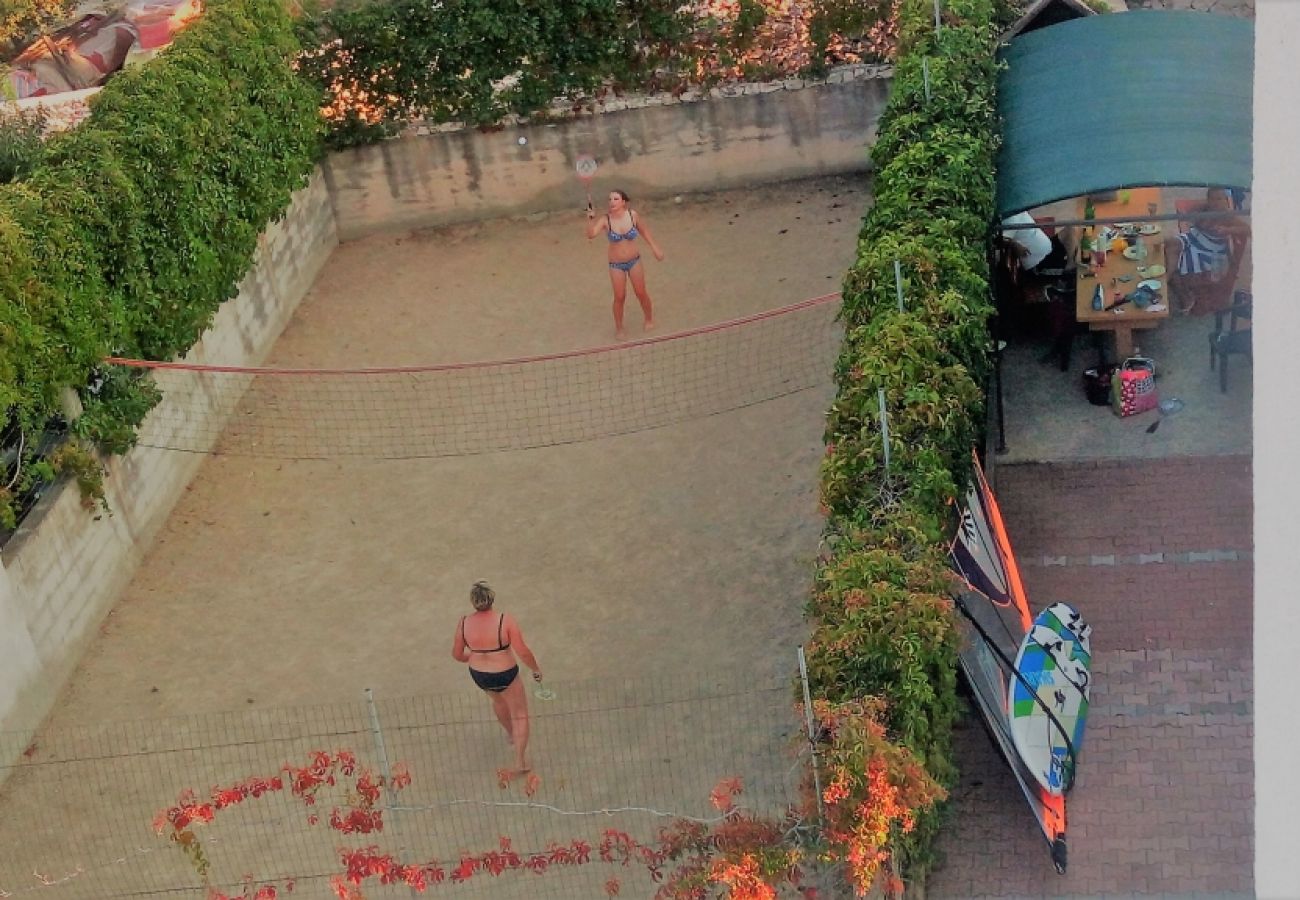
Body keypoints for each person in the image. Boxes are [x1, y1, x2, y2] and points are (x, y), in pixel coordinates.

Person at [451, 581, 542, 773]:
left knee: (498, 702)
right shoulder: (505, 620)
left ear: (473, 602)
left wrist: (473, 657)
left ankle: (510, 735)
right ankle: (519, 762)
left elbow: (457, 654)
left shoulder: (464, 623)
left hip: (480, 675)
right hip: (505, 674)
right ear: (492, 599)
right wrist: (535, 669)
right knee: (520, 714)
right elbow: (522, 651)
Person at [585, 190, 665, 341]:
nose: (612, 202)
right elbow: (591, 234)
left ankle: (649, 319)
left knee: (641, 293)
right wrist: (590, 219)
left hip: (634, 261)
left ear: (623, 202)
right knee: (619, 297)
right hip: (616, 265)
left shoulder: (632, 215)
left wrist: (655, 248)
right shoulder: (605, 220)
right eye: (610, 199)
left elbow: (644, 231)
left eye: (616, 199)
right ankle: (619, 327)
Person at [1163, 187, 1252, 312]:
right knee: (1169, 243)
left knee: (1174, 260)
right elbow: (1187, 214)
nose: (1216, 202)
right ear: (1208, 199)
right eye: (1212, 199)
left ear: (1225, 200)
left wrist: (1228, 230)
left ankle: (1174, 287)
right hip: (1195, 238)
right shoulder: (1205, 208)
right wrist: (1191, 216)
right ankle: (1168, 278)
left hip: (1211, 250)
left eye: (1219, 199)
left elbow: (1249, 230)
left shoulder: (1227, 215)